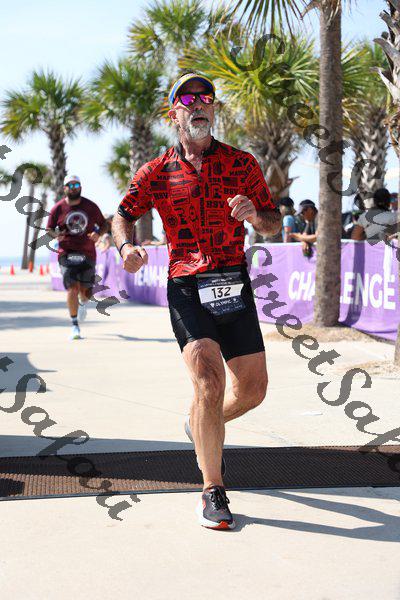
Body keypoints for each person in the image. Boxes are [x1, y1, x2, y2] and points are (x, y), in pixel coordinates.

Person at [112, 72, 281, 530]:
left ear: (214, 108)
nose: (198, 104)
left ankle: (201, 425)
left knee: (253, 391)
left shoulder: (241, 163)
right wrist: (126, 248)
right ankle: (212, 489)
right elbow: (123, 215)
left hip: (233, 282)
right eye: (187, 99)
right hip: (186, 284)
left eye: (205, 97)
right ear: (175, 113)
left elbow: (272, 221)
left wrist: (255, 214)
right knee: (208, 380)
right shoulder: (156, 171)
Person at [47, 175, 108, 340]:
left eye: (76, 185)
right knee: (72, 288)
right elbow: (49, 229)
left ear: (80, 187)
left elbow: (104, 224)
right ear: (64, 188)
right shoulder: (58, 208)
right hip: (66, 252)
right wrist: (56, 235)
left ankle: (82, 303)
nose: (74, 188)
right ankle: (75, 326)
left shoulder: (90, 206)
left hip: (87, 252)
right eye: (70, 185)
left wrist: (98, 234)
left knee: (86, 292)